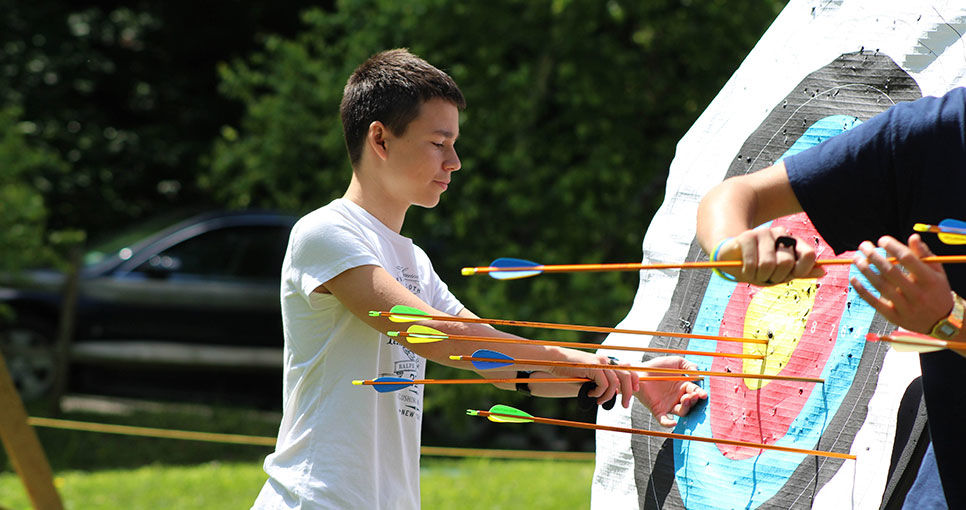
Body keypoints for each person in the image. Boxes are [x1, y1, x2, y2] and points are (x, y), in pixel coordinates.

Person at [252, 48, 707, 509]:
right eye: (438, 143)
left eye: (453, 144)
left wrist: (625, 376)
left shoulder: (414, 261)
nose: (455, 162)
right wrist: (576, 358)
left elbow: (493, 360)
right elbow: (437, 335)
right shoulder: (326, 232)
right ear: (380, 139)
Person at [695, 87, 966, 509]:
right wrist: (732, 247)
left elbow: (948, 322)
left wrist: (950, 323)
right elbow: (735, 194)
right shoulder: (939, 131)